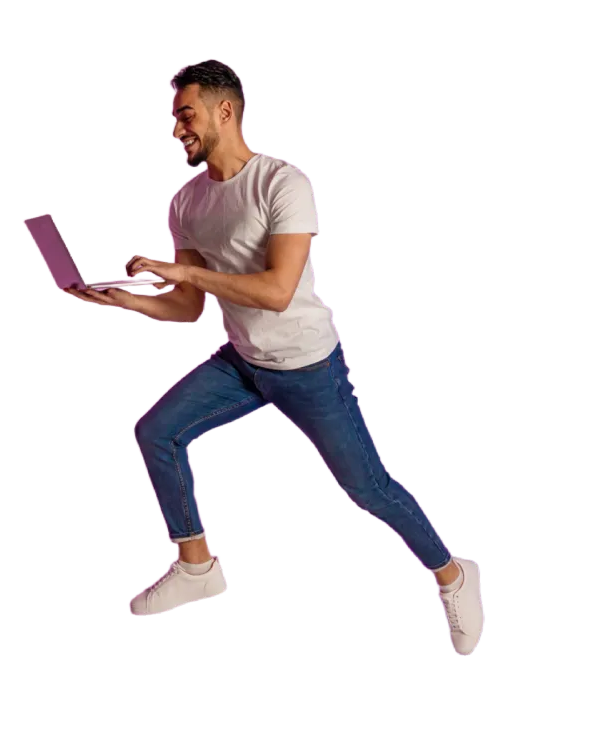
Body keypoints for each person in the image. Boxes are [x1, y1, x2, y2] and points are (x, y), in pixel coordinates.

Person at [63, 59, 486, 655]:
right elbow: (187, 306)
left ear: (225, 110)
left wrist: (185, 272)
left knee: (368, 488)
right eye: (174, 118)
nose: (177, 129)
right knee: (156, 431)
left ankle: (454, 576)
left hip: (307, 368)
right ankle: (197, 566)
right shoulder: (187, 202)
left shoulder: (281, 184)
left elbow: (277, 290)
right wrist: (120, 298)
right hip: (243, 361)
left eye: (186, 115)